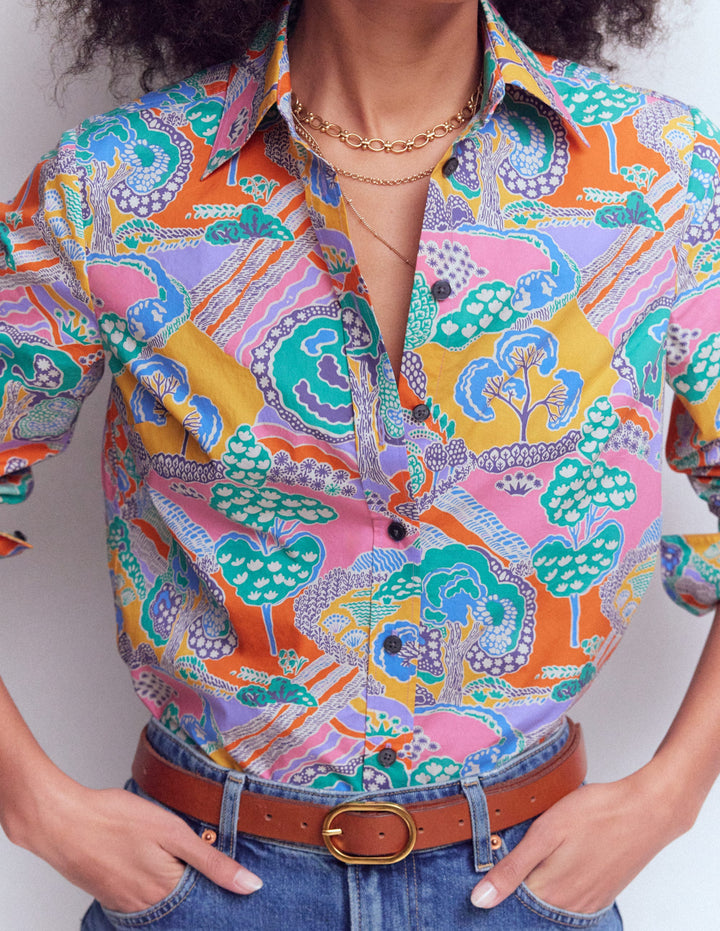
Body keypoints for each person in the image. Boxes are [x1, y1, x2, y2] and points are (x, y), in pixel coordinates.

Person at [1, 0, 719, 928]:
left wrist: (673, 794)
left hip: (527, 885)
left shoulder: (660, 171)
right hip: (205, 886)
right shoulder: (110, 186)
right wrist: (32, 803)